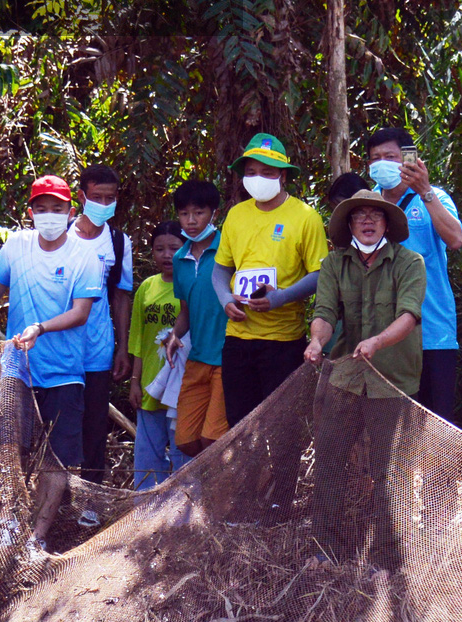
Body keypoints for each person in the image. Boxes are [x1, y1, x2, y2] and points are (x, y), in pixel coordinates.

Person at [0, 175, 104, 554]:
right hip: (15, 368)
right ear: (30, 212)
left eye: (58, 209)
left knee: (58, 458)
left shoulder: (85, 256)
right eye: (42, 209)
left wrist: (40, 327)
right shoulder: (16, 246)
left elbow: (81, 313)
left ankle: (38, 537)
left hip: (65, 372)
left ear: (71, 212)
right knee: (7, 447)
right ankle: (7, 523)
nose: (49, 215)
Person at [302, 190, 424, 565]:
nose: (368, 221)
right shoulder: (334, 264)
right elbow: (324, 312)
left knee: (392, 472)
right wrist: (316, 341)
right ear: (349, 225)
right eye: (360, 216)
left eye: (376, 215)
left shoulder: (410, 262)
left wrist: (377, 341)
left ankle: (387, 558)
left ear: (387, 224)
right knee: (329, 461)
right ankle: (326, 551)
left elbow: (408, 315)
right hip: (345, 378)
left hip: (393, 380)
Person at [215, 133, 327, 426]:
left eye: (267, 172)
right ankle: (246, 475)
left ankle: (282, 475)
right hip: (238, 338)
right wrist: (226, 300)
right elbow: (220, 269)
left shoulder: (305, 217)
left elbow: (320, 274)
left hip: (283, 341)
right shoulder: (236, 215)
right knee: (239, 427)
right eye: (251, 172)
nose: (257, 178)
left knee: (283, 429)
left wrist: (280, 297)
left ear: (283, 176)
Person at [365, 128, 462, 421]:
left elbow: (455, 239)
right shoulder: (366, 204)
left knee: (434, 426)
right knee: (388, 428)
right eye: (375, 158)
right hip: (381, 337)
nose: (382, 162)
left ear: (409, 159)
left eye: (390, 156)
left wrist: (425, 191)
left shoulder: (433, 198)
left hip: (433, 333)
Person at [72, 165, 134, 519]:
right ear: (81, 196)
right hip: (58, 351)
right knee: (57, 420)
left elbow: (121, 297)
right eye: (97, 197)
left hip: (97, 348)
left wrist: (122, 347)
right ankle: (55, 494)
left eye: (110, 198)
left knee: (94, 425)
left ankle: (90, 501)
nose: (103, 203)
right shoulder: (60, 235)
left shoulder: (118, 242)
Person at [169, 179, 229, 456]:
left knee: (213, 439)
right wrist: (174, 336)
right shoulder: (179, 258)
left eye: (198, 213)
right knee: (186, 440)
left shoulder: (229, 249)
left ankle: (224, 498)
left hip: (228, 356)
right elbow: (186, 310)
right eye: (184, 214)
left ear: (213, 213)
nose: (191, 221)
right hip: (198, 357)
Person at [126, 220, 187, 490]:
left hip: (183, 385)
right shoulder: (147, 288)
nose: (167, 255)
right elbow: (137, 339)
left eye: (174, 248)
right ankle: (145, 511)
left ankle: (182, 511)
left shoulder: (193, 284)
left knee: (182, 450)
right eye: (159, 249)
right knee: (148, 453)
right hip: (151, 384)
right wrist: (135, 381)